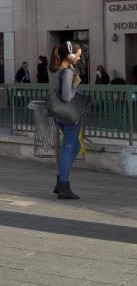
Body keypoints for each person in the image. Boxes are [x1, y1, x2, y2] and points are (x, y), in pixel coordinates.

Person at [49, 41, 86, 199]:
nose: (79, 57)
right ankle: (64, 185)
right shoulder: (67, 72)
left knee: (75, 146)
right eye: (78, 55)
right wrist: (76, 84)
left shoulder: (63, 69)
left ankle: (61, 181)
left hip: (62, 115)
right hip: (70, 114)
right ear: (71, 55)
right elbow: (66, 97)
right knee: (69, 146)